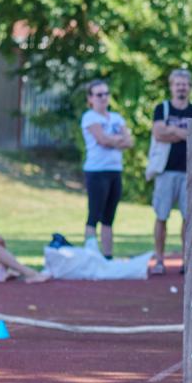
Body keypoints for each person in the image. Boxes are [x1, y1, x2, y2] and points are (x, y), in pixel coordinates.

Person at [150, 69, 192, 275]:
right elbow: (158, 134)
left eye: (184, 84)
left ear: (190, 87)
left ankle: (186, 260)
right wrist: (184, 133)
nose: (181, 87)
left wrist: (171, 131)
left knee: (188, 218)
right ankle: (159, 260)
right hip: (165, 171)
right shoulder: (162, 109)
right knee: (161, 216)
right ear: (171, 86)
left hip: (190, 172)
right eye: (177, 84)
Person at [80, 79, 133, 258]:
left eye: (106, 94)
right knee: (94, 213)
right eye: (99, 94)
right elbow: (102, 140)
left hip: (114, 170)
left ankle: (108, 256)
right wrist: (117, 139)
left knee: (109, 217)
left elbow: (129, 142)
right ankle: (90, 254)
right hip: (97, 171)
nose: (103, 98)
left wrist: (113, 140)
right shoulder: (89, 117)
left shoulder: (117, 118)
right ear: (90, 98)